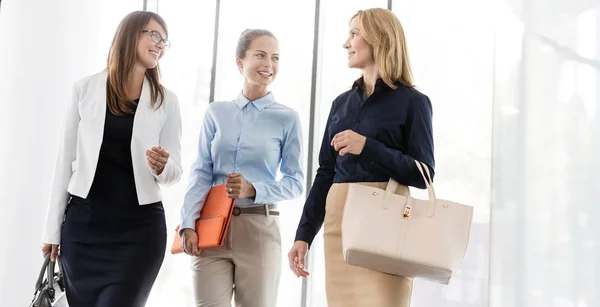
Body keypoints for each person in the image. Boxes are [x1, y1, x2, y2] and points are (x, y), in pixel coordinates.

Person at [288, 8, 435, 307]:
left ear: (379, 39)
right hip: (339, 217)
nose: (346, 43)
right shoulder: (340, 104)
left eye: (354, 33)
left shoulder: (413, 102)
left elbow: (423, 174)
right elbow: (325, 173)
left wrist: (368, 146)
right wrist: (303, 235)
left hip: (387, 218)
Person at [41, 11, 182, 307]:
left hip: (139, 232)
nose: (160, 44)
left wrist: (162, 166)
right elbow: (63, 162)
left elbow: (174, 172)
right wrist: (52, 230)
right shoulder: (84, 89)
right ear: (130, 34)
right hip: (84, 230)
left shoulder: (166, 100)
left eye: (165, 40)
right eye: (153, 35)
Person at [179, 29, 304, 307]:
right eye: (260, 55)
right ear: (239, 61)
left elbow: (296, 182)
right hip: (211, 229)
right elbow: (201, 170)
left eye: (275, 58)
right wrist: (188, 222)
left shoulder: (287, 118)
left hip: (259, 229)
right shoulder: (216, 112)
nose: (268, 65)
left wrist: (254, 188)